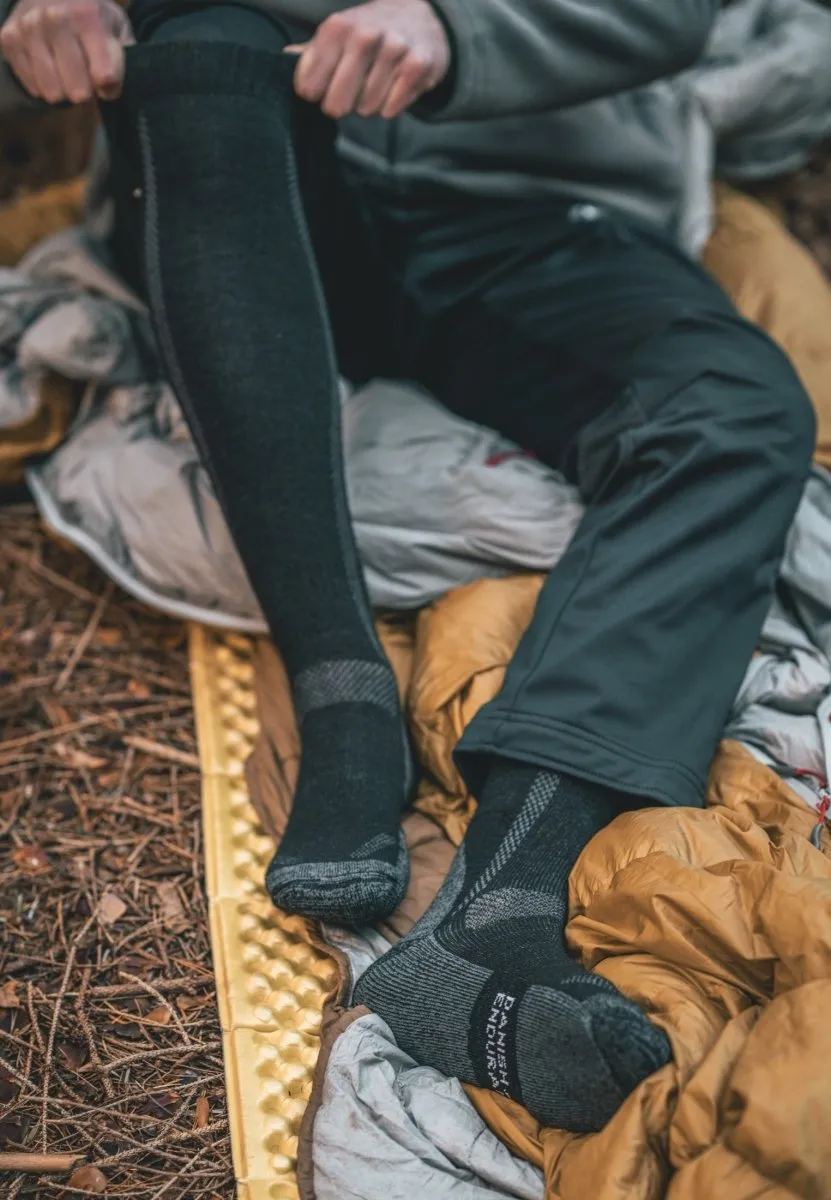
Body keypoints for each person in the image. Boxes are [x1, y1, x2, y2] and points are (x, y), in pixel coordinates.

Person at [0, 0, 816, 1132]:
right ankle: (346, 693)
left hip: (524, 204)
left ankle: (503, 901)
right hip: (238, 191)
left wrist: (459, 25)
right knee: (202, 49)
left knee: (733, 412)